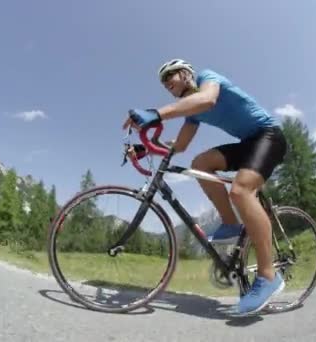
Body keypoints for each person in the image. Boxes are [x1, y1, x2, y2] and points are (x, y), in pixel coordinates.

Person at [122, 58, 288, 316]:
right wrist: (144, 149)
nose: (167, 83)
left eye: (170, 76)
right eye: (163, 82)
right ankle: (232, 223)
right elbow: (180, 145)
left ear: (187, 73)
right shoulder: (192, 112)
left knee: (241, 191)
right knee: (200, 163)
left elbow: (207, 100)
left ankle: (268, 277)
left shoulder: (207, 79)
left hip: (269, 136)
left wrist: (156, 113)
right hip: (248, 144)